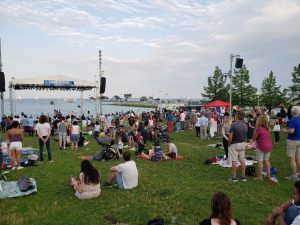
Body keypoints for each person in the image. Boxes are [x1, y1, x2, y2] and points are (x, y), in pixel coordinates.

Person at [228, 111, 248, 182]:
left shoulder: (233, 124)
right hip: (243, 143)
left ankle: (234, 177)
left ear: (236, 116)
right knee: (242, 159)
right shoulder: (245, 124)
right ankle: (243, 176)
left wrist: (229, 143)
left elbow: (230, 136)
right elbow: (246, 135)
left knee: (234, 160)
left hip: (235, 144)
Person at [252, 115, 273, 181]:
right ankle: (268, 175)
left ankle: (260, 176)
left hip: (261, 146)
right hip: (269, 145)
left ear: (260, 121)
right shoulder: (268, 128)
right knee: (267, 160)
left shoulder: (258, 129)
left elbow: (254, 137)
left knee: (260, 161)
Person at [284, 106, 300, 181]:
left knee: (292, 159)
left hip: (292, 141)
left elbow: (291, 131)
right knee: (298, 158)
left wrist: (285, 131)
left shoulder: (292, 120)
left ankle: (294, 175)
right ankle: (298, 173)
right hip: (299, 140)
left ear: (292, 112)